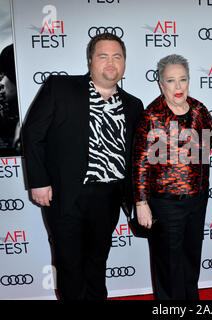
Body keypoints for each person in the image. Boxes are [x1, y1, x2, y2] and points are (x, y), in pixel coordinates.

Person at [22, 33, 144, 300]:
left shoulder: (134, 105)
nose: (111, 63)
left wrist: (140, 199)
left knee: (97, 262)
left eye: (117, 57)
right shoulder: (61, 88)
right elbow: (32, 134)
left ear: (124, 62)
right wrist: (39, 181)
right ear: (90, 61)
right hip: (66, 195)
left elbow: (138, 156)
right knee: (69, 265)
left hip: (109, 197)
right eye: (103, 56)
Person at [134, 54, 212, 300]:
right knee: (167, 264)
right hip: (165, 203)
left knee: (190, 258)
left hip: (197, 200)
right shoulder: (152, 115)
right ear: (160, 84)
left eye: (183, 80)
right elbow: (141, 163)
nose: (178, 87)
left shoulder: (198, 108)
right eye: (171, 81)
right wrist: (141, 203)